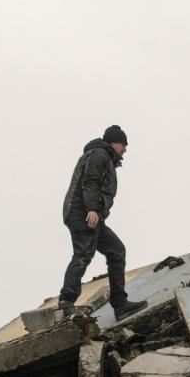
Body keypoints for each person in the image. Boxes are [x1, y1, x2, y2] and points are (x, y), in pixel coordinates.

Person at [58, 125, 147, 317]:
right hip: (82, 213)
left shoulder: (104, 156)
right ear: (114, 143)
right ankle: (66, 303)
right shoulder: (99, 154)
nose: (125, 149)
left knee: (116, 251)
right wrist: (91, 208)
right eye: (124, 144)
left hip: (93, 214)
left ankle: (120, 304)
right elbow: (90, 181)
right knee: (83, 253)